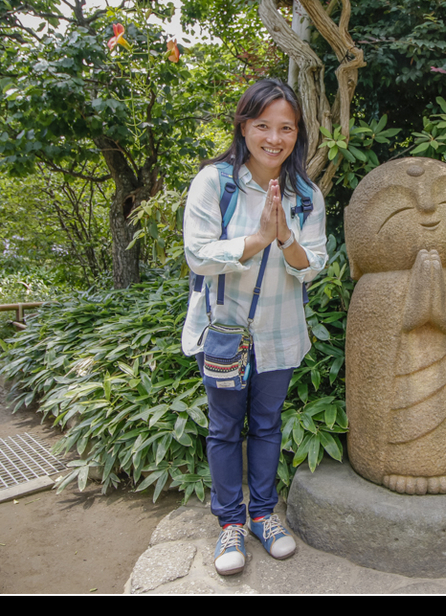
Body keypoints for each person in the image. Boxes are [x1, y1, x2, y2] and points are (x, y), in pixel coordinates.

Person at [182, 78, 327, 576]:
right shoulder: (215, 182)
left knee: (266, 424)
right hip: (222, 331)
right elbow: (198, 256)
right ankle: (230, 524)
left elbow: (314, 266)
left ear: (297, 133)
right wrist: (255, 238)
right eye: (262, 125)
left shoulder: (306, 195)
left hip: (281, 333)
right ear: (243, 126)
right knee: (224, 428)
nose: (274, 137)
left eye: (285, 127)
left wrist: (284, 235)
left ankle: (263, 516)